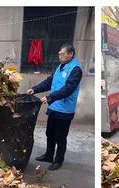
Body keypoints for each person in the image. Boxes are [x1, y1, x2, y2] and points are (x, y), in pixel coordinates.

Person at [26, 43, 82, 171]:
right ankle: (49, 155)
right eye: (59, 54)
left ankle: (58, 160)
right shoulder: (60, 67)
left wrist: (50, 98)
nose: (60, 56)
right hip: (54, 107)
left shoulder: (75, 69)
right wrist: (34, 90)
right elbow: (48, 82)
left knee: (60, 137)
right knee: (50, 133)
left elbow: (68, 89)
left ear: (71, 54)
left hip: (65, 109)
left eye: (62, 54)